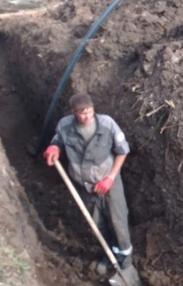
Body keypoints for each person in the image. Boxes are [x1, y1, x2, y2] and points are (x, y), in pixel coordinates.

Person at [43, 94, 133, 275]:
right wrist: (54, 147)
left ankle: (125, 261)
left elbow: (122, 151)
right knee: (97, 224)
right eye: (83, 114)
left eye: (90, 112)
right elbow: (58, 140)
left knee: (118, 222)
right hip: (85, 186)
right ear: (73, 112)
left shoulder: (107, 124)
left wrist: (110, 178)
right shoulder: (65, 126)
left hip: (109, 183)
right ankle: (108, 255)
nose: (88, 117)